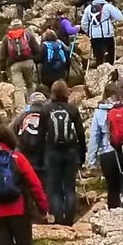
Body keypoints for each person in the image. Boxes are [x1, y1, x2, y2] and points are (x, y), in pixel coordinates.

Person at [86, 85, 123, 208]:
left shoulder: (99, 113)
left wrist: (91, 162)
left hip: (108, 155)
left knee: (113, 189)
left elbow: (94, 138)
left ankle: (113, 218)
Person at [39, 80, 87, 224]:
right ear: (66, 92)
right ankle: (69, 220)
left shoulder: (46, 110)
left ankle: (59, 220)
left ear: (52, 92)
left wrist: (42, 156)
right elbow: (80, 134)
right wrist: (82, 155)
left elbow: (41, 135)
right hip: (71, 152)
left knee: (55, 188)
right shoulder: (72, 109)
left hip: (52, 153)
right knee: (70, 187)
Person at [81, 0, 123, 66]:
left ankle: (99, 70)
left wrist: (88, 32)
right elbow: (120, 17)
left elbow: (84, 22)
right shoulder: (108, 7)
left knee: (98, 56)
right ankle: (110, 70)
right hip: (107, 35)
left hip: (94, 36)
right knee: (111, 55)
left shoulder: (88, 8)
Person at [1, 19, 40, 96]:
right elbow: (37, 50)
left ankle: (20, 107)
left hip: (14, 65)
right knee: (30, 84)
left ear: (11, 27)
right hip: (28, 62)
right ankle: (32, 104)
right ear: (22, 26)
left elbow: (3, 56)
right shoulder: (28, 35)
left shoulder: (6, 38)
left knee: (18, 88)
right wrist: (33, 59)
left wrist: (3, 70)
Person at [13, 90, 48, 175]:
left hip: (25, 161)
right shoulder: (48, 115)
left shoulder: (22, 115)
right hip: (43, 162)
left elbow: (12, 132)